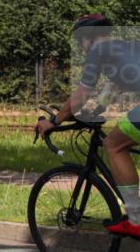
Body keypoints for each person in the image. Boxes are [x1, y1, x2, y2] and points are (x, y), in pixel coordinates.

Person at [36, 14, 140, 237]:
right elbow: (111, 89)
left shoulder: (97, 50)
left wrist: (54, 121)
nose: (81, 47)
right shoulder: (124, 48)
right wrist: (93, 112)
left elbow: (83, 92)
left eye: (79, 41)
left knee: (113, 144)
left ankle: (136, 219)